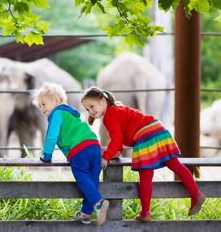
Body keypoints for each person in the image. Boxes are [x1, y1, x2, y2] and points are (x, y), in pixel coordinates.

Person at [81, 87, 206, 222]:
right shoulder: (117, 109)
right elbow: (121, 134)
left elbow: (116, 139)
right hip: (157, 128)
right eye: (87, 109)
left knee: (145, 173)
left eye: (92, 106)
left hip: (144, 134)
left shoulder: (109, 116)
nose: (91, 111)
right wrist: (118, 151)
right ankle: (195, 194)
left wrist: (105, 156)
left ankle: (145, 212)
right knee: (175, 164)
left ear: (102, 100)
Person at [32, 82, 109, 225]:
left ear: (56, 101)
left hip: (78, 150)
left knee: (82, 177)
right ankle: (86, 213)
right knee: (91, 180)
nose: (42, 109)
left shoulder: (57, 113)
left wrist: (47, 156)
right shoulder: (72, 115)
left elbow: (51, 136)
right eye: (40, 106)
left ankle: (99, 202)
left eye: (44, 104)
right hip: (94, 146)